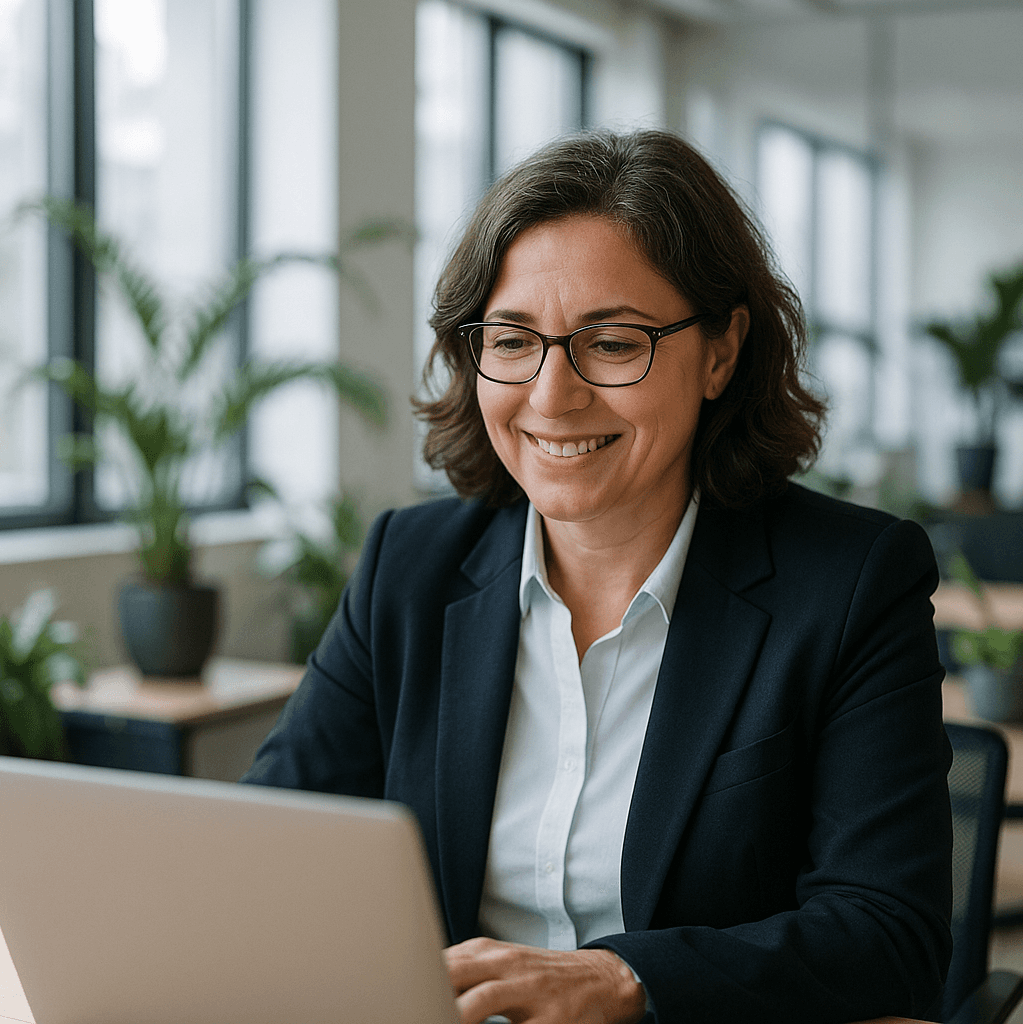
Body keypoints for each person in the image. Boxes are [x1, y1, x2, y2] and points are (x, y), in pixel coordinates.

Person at [242, 129, 952, 1024]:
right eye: (512, 339)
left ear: (722, 351)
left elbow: (891, 933)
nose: (551, 394)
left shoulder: (851, 584)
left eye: (612, 343)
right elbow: (267, 848)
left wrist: (627, 979)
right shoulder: (408, 569)